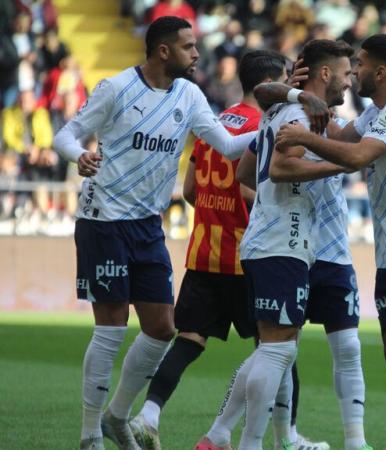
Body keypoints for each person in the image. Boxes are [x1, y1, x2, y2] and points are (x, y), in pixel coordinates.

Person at [52, 16, 263, 450]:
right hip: (103, 221)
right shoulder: (116, 88)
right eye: (188, 46)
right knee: (110, 328)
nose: (197, 53)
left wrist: (279, 128)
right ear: (163, 51)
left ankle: (117, 416)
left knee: (162, 328)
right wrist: (79, 156)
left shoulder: (189, 94)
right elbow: (66, 134)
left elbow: (226, 144)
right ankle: (90, 432)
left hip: (149, 226)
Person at [275, 33, 386, 450]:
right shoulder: (375, 113)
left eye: (358, 64)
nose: (353, 71)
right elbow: (341, 136)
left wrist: (302, 138)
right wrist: (299, 95)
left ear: (379, 71)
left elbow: (356, 157)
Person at [121, 49, 287, 450]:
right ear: (268, 85)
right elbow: (251, 191)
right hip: (250, 258)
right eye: (284, 80)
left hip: (203, 253)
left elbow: (193, 190)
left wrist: (217, 211)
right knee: (276, 349)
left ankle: (149, 414)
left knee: (189, 340)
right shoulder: (266, 127)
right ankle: (253, 436)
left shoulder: (212, 124)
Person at [195, 39, 354, 450]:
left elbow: (248, 172)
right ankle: (243, 443)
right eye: (345, 72)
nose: (349, 80)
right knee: (277, 352)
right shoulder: (299, 113)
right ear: (325, 73)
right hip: (281, 242)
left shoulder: (278, 111)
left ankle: (217, 437)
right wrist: (344, 162)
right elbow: (281, 167)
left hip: (273, 241)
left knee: (275, 349)